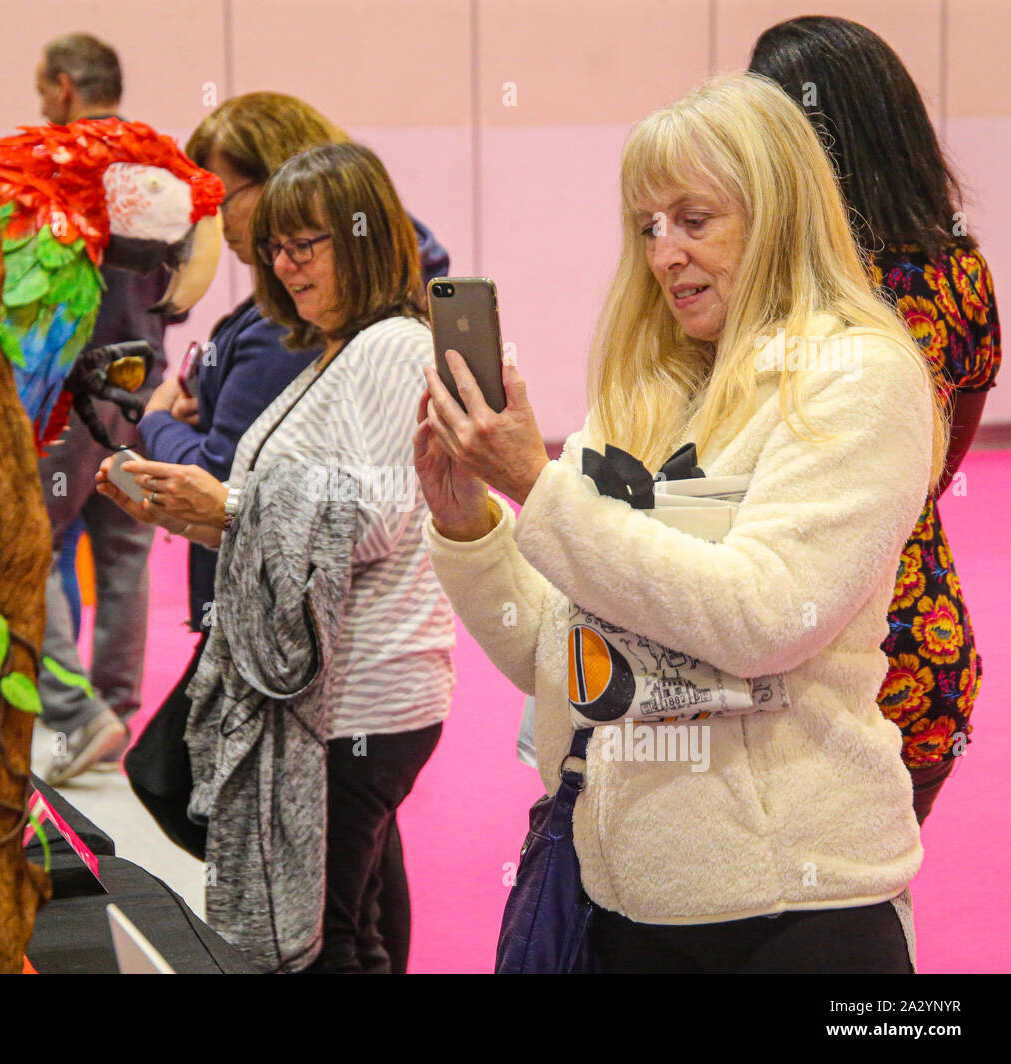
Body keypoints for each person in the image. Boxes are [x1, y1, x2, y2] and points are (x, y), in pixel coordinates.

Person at [416, 74, 947, 973]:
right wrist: (468, 524)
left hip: (797, 916)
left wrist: (539, 490)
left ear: (776, 215)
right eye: (648, 226)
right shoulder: (648, 390)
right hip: (624, 902)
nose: (664, 253)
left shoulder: (857, 378)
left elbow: (764, 617)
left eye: (695, 220)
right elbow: (562, 659)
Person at [98, 142, 456, 973]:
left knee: (316, 938)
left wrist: (223, 504)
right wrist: (182, 511)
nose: (287, 266)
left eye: (310, 244)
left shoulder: (392, 347)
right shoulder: (338, 348)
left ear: (365, 240)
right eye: (277, 248)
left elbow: (371, 515)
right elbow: (286, 519)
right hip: (333, 693)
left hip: (363, 697)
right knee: (344, 928)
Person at [748, 16, 1001, 824]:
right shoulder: (960, 274)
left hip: (802, 663)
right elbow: (935, 467)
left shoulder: (778, 285)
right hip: (923, 649)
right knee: (873, 920)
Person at [31, 32, 176, 785]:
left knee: (30, 543)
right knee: (124, 551)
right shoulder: (161, 168)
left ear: (62, 87)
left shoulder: (55, 164)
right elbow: (177, 283)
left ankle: (79, 712)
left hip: (72, 388)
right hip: (141, 381)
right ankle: (114, 706)